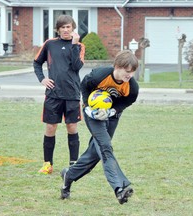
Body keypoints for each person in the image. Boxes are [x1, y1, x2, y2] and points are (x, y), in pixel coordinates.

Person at [60, 49, 139, 204]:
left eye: (133, 72)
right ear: (117, 66)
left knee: (95, 153)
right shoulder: (99, 75)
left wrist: (112, 111)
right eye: (127, 71)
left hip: (112, 115)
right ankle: (120, 188)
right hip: (93, 113)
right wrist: (88, 106)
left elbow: (127, 101)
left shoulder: (132, 87)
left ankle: (68, 176)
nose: (129, 75)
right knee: (105, 146)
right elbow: (84, 86)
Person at [33, 15, 85, 174]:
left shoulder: (79, 46)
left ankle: (74, 164)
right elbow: (36, 62)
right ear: (58, 29)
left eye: (68, 27)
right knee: (50, 127)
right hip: (53, 94)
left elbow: (77, 66)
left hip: (72, 94)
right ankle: (47, 164)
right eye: (62, 27)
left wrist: (74, 45)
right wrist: (42, 79)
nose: (66, 30)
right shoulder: (50, 44)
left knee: (72, 127)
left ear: (73, 28)